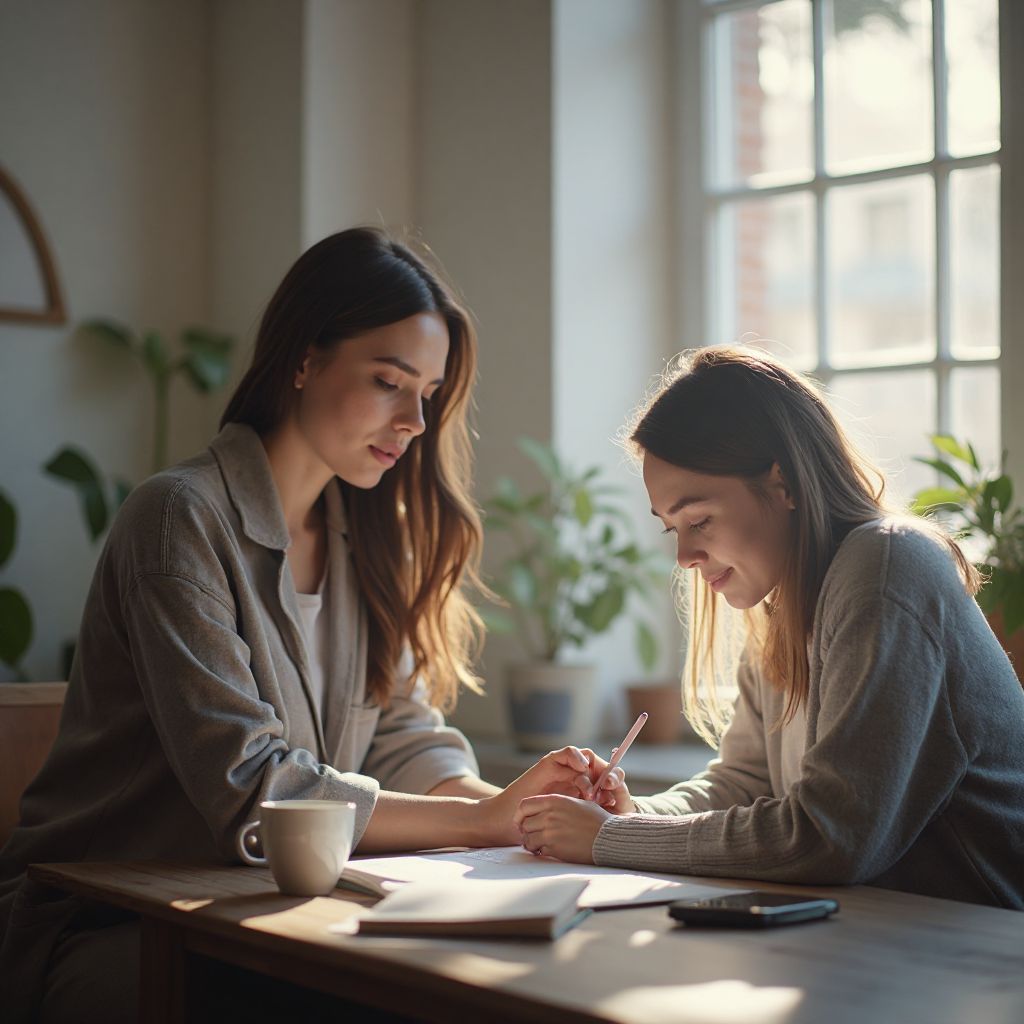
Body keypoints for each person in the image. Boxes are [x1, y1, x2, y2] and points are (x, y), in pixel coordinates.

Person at [0, 227, 601, 1023]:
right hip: (113, 924)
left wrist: (522, 812)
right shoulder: (179, 520)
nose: (415, 420)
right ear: (303, 360)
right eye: (389, 381)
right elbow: (255, 789)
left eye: (428, 393)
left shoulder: (369, 540)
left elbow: (401, 740)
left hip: (273, 913)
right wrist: (479, 820)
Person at [514, 346, 1024, 910]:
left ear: (782, 484)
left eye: (699, 520)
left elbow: (832, 835)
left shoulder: (886, 568)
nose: (683, 555)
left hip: (986, 950)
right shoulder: (782, 602)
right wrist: (629, 814)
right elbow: (744, 784)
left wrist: (608, 839)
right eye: (671, 530)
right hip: (883, 936)